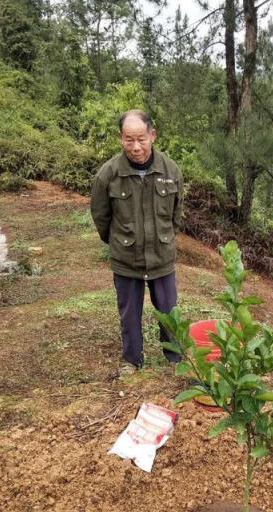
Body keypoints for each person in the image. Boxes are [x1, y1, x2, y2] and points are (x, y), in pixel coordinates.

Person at [90, 109, 183, 373]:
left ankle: (175, 358)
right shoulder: (108, 175)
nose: (136, 147)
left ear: (152, 135)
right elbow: (101, 215)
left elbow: (176, 213)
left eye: (141, 139)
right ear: (120, 139)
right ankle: (132, 360)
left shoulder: (171, 170)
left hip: (161, 256)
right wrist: (120, 242)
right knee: (129, 315)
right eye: (129, 140)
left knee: (168, 311)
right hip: (126, 258)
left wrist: (162, 239)